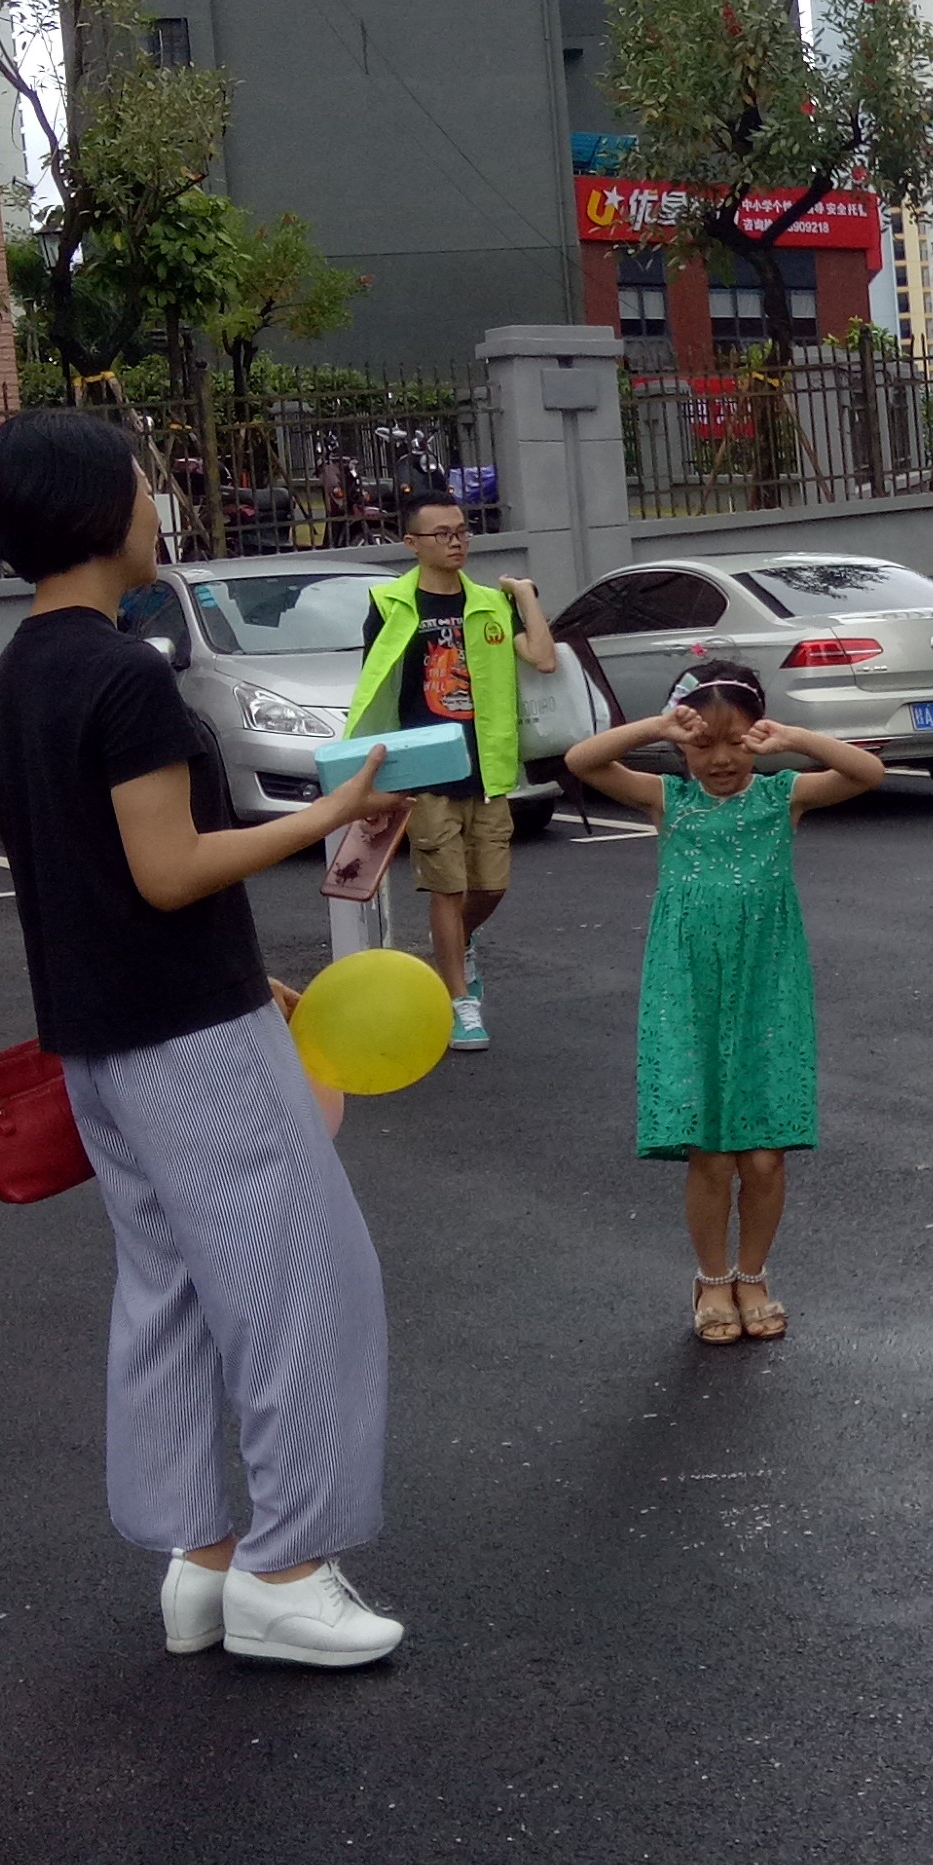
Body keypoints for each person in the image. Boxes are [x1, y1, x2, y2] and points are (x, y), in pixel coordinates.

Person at [0, 410, 414, 1669]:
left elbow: (98, 877)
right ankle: (286, 1566)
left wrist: (246, 970)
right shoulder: (120, 673)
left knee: (168, 1293)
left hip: (101, 1039)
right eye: (145, 489)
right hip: (186, 1043)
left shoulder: (29, 665)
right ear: (96, 511)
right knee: (300, 1289)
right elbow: (166, 870)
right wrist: (332, 806)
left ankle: (199, 1559)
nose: (160, 508)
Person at [556, 661, 886, 1344]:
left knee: (765, 1154)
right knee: (709, 1151)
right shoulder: (667, 800)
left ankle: (755, 1273)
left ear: (758, 737)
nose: (721, 759)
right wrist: (653, 725)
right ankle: (711, 1281)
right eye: (702, 744)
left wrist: (794, 736)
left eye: (736, 742)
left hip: (769, 982)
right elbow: (581, 760)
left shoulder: (781, 797)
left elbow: (866, 773)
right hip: (689, 986)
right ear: (680, 746)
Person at [344, 490, 561, 1050]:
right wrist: (377, 774)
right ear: (412, 543)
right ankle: (460, 1000)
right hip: (424, 770)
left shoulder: (490, 603)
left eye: (462, 530)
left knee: (491, 883)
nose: (456, 541)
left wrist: (523, 595)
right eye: (442, 533)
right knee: (448, 886)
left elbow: (542, 656)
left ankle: (455, 947)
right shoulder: (390, 603)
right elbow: (378, 692)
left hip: (487, 764)